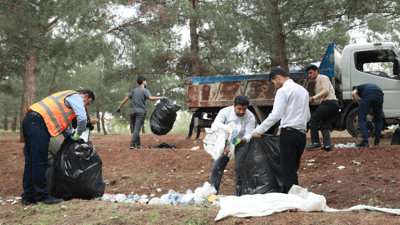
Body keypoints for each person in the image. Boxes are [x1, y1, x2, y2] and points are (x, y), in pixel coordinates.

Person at [22, 89, 96, 205]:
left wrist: (71, 137)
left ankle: (28, 197)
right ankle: (42, 197)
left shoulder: (63, 97)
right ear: (85, 96)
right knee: (40, 161)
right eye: (88, 103)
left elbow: (61, 125)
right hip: (38, 123)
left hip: (29, 120)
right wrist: (77, 135)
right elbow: (82, 119)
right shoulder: (76, 97)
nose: (85, 105)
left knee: (31, 161)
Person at [252, 68, 310, 194]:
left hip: (289, 134)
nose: (275, 86)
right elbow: (308, 116)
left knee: (287, 169)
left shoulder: (283, 90)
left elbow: (276, 114)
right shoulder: (303, 91)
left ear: (277, 77)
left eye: (273, 83)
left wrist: (258, 131)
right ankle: (288, 193)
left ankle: (293, 199)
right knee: (293, 167)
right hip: (301, 135)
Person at [209, 95, 255, 196]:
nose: (241, 112)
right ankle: (212, 195)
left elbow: (248, 135)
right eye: (239, 109)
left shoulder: (250, 116)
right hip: (225, 142)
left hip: (241, 143)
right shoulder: (224, 112)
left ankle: (239, 196)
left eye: (244, 109)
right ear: (233, 105)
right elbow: (215, 125)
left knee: (239, 167)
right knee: (217, 166)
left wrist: (240, 140)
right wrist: (224, 135)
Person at [117, 76, 166, 149]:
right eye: (146, 81)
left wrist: (119, 107)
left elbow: (126, 98)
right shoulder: (145, 90)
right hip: (141, 112)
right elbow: (151, 98)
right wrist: (161, 98)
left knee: (135, 129)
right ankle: (132, 144)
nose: (146, 83)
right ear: (143, 82)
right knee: (137, 128)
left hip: (132, 112)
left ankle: (139, 144)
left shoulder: (134, 91)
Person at [305, 65, 339, 152]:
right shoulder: (317, 81)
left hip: (329, 103)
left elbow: (326, 91)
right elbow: (321, 99)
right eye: (308, 74)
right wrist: (312, 101)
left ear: (316, 71)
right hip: (332, 104)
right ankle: (327, 145)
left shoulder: (322, 77)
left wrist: (313, 98)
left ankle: (316, 143)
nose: (309, 75)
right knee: (324, 125)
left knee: (313, 120)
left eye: (310, 73)